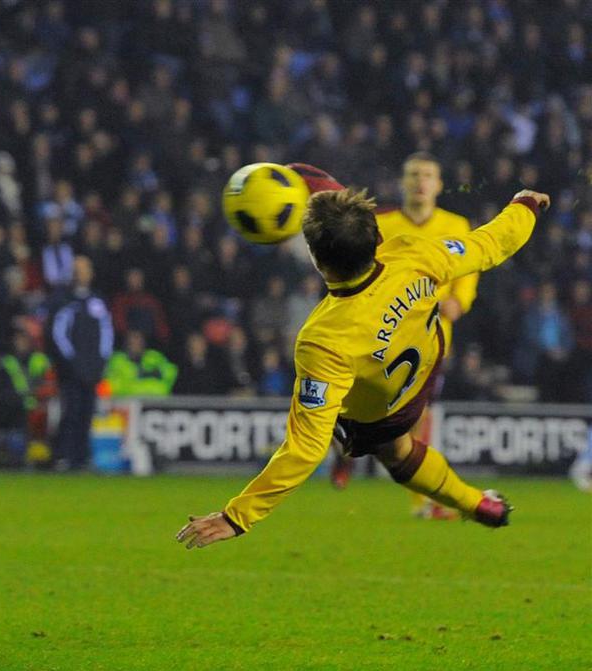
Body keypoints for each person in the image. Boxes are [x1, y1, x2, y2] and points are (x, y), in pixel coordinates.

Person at [177, 186, 549, 549]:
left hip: (379, 408)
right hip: (426, 365)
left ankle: (470, 501)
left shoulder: (322, 338)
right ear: (375, 236)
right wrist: (525, 205)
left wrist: (237, 516)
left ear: (317, 261)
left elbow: (305, 450)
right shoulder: (412, 253)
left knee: (395, 451)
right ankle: (482, 505)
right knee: (400, 450)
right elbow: (492, 243)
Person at [368, 152, 480, 518]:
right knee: (385, 415)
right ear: (402, 182)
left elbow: (468, 272)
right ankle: (349, 454)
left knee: (416, 417)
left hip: (431, 341)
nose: (420, 181)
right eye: (413, 173)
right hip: (384, 336)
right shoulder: (381, 224)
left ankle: (423, 500)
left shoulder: (455, 225)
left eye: (427, 175)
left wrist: (458, 303)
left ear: (439, 184)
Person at [48, 255, 113, 470]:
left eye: (84, 269)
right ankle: (63, 455)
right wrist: (71, 363)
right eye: (77, 269)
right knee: (71, 412)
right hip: (71, 371)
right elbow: (58, 335)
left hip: (92, 370)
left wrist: (100, 363)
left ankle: (81, 457)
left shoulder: (98, 301)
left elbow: (107, 333)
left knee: (86, 413)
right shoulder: (64, 300)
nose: (80, 273)